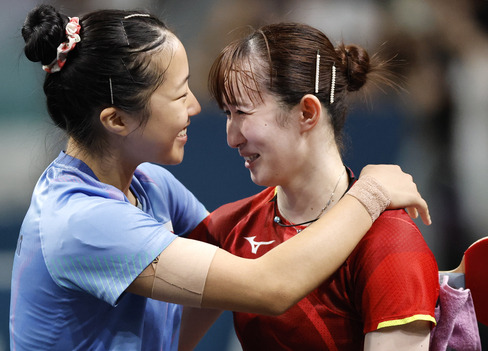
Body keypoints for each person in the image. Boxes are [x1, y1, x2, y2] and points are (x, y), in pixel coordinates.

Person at [10, 6, 431, 350]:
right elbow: (268, 284)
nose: (195, 107)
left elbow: (196, 303)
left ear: (307, 113)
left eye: (241, 111)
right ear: (116, 119)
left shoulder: (150, 186)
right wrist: (370, 193)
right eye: (179, 94)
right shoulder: (82, 222)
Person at [181, 23, 439, 350]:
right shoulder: (228, 228)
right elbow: (162, 342)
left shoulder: (390, 239)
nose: (232, 138)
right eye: (227, 114)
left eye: (242, 112)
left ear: (306, 113)